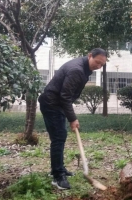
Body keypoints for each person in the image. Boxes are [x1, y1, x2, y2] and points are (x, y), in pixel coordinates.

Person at [38, 48, 107, 189]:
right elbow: (65, 96)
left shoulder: (83, 67)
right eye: (97, 62)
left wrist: (69, 116)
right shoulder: (77, 70)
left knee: (59, 137)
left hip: (57, 105)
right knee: (58, 138)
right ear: (89, 56)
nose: (98, 67)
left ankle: (58, 169)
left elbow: (65, 96)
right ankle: (58, 177)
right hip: (52, 104)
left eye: (102, 65)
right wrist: (73, 119)